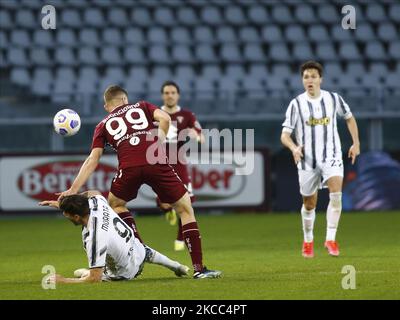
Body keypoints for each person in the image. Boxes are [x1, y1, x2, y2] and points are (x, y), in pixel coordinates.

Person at [57, 85, 221, 279]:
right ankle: (199, 269)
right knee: (185, 210)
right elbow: (166, 118)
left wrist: (73, 189)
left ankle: (139, 248)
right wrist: (157, 142)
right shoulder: (142, 106)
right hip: (156, 161)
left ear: (106, 106)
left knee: (116, 205)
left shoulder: (102, 125)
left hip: (128, 168)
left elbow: (93, 159)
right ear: (125, 100)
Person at [280, 61, 360, 258]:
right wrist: (293, 148)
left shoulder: (333, 99)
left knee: (336, 194)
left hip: (331, 156)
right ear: (302, 80)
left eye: (313, 76)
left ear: (320, 79)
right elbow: (284, 135)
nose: (310, 80)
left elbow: (349, 117)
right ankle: (308, 241)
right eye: (306, 76)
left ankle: (330, 239)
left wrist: (356, 143)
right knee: (309, 204)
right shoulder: (296, 104)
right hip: (307, 160)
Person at [39, 191, 190, 284]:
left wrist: (63, 281)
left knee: (91, 275)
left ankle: (84, 272)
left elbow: (94, 279)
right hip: (137, 249)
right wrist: (65, 204)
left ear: (77, 216)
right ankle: (176, 266)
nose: (65, 216)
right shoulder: (97, 203)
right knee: (142, 250)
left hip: (125, 273)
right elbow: (93, 191)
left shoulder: (95, 238)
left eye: (67, 214)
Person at [156, 81, 205, 251]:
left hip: (180, 163)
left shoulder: (187, 115)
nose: (170, 95)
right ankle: (166, 210)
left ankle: (180, 240)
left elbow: (201, 136)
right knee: (164, 203)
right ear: (163, 95)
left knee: (187, 202)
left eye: (173, 92)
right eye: (167, 92)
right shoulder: (155, 114)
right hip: (159, 164)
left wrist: (195, 136)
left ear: (178, 95)